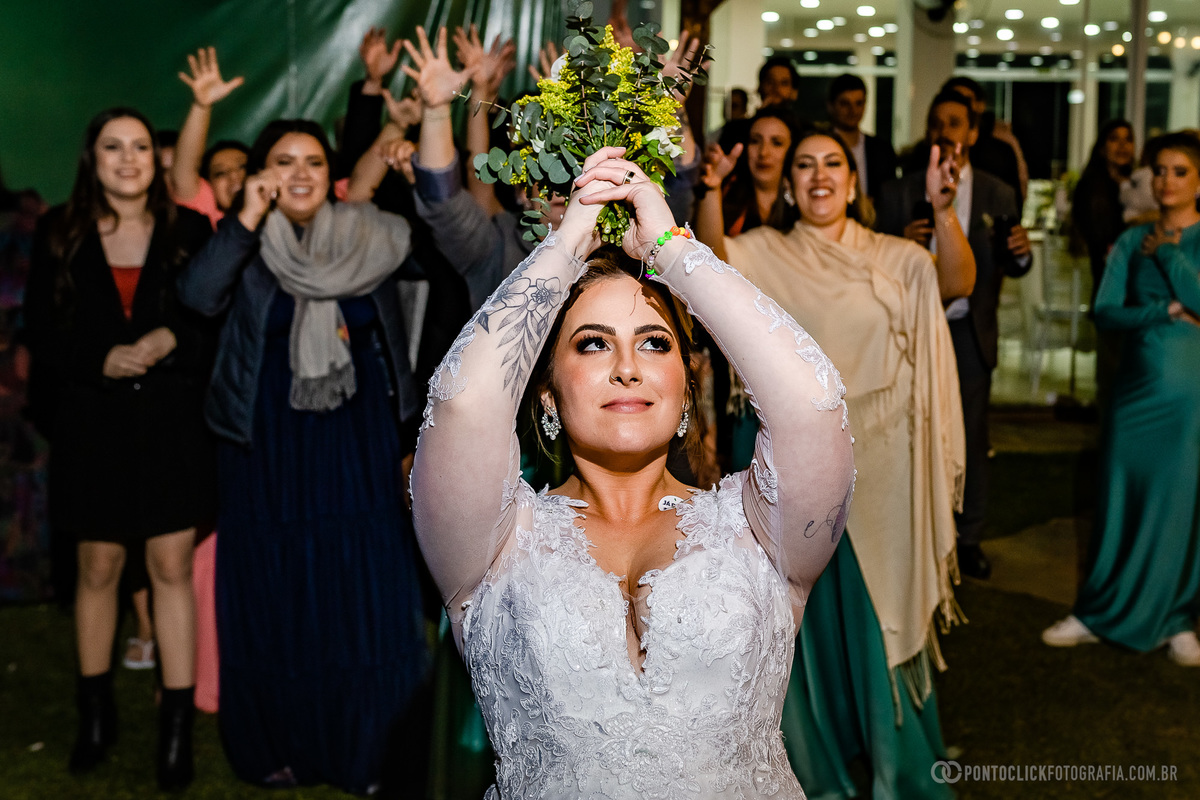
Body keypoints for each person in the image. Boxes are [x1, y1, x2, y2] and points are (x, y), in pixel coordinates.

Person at [411, 140, 854, 796]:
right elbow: (462, 402)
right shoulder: (493, 544)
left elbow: (814, 403)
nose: (627, 367)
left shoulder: (760, 530)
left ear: (685, 388)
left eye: (655, 343)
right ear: (547, 395)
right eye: (593, 344)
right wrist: (565, 247)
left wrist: (672, 252)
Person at [697, 127, 971, 799]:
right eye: (804, 166)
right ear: (790, 186)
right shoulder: (763, 250)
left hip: (884, 462)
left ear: (852, 181)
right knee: (803, 620)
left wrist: (943, 211)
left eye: (832, 164)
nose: (819, 176)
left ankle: (893, 758)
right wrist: (709, 190)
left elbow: (957, 281)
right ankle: (817, 760)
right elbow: (707, 265)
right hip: (796, 464)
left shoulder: (897, 256)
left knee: (879, 611)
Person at [177, 118, 431, 793]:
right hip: (266, 445)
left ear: (329, 173)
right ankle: (279, 744)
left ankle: (370, 747)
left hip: (356, 439)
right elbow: (197, 295)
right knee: (276, 591)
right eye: (283, 161)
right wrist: (244, 217)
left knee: (361, 589)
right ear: (262, 173)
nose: (299, 173)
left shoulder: (367, 234)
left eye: (313, 161)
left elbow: (410, 313)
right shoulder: (245, 241)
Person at [24, 107, 216, 790]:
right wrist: (97, 358)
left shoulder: (189, 230)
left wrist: (172, 338)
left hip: (172, 426)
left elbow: (216, 321)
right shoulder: (59, 230)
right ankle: (95, 716)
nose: (129, 159)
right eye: (113, 146)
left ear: (155, 160)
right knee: (98, 568)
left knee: (170, 566)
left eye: (139, 146)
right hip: (92, 425)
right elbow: (41, 331)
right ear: (93, 158)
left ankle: (176, 735)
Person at [1043, 132, 1200, 667]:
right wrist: (1166, 311)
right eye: (1159, 170)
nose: (1165, 181)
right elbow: (1106, 310)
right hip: (1135, 391)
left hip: (1190, 397)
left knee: (1179, 501)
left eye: (1179, 171)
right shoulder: (1132, 241)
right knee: (1118, 495)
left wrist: (1172, 255)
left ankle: (1176, 619)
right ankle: (1096, 611)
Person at [878, 89, 1032, 581]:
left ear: (973, 132)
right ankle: (912, 532)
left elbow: (1013, 263)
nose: (945, 131)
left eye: (955, 122)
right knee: (907, 431)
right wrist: (901, 243)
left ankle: (968, 538)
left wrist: (1022, 253)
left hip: (968, 330)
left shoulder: (997, 193)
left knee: (970, 434)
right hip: (907, 331)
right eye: (937, 122)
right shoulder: (898, 191)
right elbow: (871, 262)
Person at [1072, 120, 1134, 411]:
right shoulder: (1093, 187)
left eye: (1128, 139)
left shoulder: (1141, 185)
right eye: (1114, 139)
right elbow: (1101, 237)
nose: (1122, 146)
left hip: (1140, 290)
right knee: (1113, 367)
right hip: (1112, 285)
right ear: (1101, 147)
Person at [826, 73, 897, 202]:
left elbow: (890, 195)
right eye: (845, 103)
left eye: (859, 103)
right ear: (831, 106)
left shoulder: (882, 149)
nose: (853, 110)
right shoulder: (820, 147)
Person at [717, 56, 803, 154]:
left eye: (784, 83)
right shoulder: (734, 130)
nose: (776, 89)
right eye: (770, 82)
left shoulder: (804, 132)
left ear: (794, 92)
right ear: (759, 87)